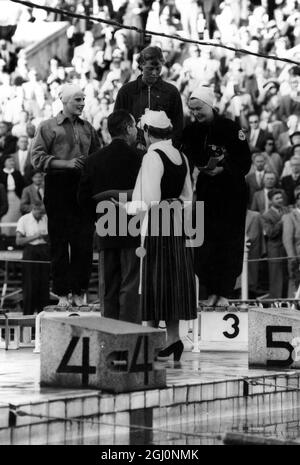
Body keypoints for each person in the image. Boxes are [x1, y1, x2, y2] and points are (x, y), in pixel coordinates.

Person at [121, 110, 196, 361]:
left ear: (146, 132)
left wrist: (127, 208)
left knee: (155, 279)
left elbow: (149, 198)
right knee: (172, 281)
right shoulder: (182, 156)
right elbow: (187, 197)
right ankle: (172, 339)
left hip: (157, 223)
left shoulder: (153, 156)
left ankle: (152, 339)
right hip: (177, 222)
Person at [30, 83, 101, 307]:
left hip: (83, 188)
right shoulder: (48, 126)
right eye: (77, 100)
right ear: (64, 101)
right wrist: (67, 163)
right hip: (58, 186)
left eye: (83, 99)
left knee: (83, 243)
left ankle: (79, 292)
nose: (82, 103)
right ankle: (62, 294)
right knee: (59, 243)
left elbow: (97, 157)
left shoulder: (89, 127)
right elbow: (36, 159)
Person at [182, 86, 251, 306]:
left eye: (199, 109)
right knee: (206, 244)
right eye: (192, 109)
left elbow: (245, 161)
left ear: (210, 105)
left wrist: (224, 168)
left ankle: (224, 292)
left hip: (231, 194)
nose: (196, 114)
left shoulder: (230, 127)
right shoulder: (191, 130)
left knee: (228, 243)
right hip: (207, 193)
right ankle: (211, 290)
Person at [78, 110, 142, 323]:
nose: (136, 130)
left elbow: (83, 199)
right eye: (134, 126)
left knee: (108, 286)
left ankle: (109, 334)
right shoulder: (140, 158)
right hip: (134, 228)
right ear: (127, 128)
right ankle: (130, 337)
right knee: (131, 284)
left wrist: (98, 220)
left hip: (105, 227)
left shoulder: (93, 160)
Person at [114, 46, 183, 149]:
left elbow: (178, 125)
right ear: (141, 65)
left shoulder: (171, 92)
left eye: (158, 68)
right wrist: (134, 144)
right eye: (150, 68)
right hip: (133, 151)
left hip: (164, 150)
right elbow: (118, 124)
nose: (154, 73)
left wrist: (167, 146)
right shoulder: (126, 91)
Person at [16, 201, 50, 315]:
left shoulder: (46, 218)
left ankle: (43, 315)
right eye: (39, 213)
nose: (41, 215)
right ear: (34, 209)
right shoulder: (24, 219)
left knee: (44, 285)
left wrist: (45, 237)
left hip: (44, 250)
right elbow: (19, 241)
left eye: (43, 213)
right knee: (30, 285)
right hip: (30, 250)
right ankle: (28, 315)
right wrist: (36, 236)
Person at [261, 189, 288, 298]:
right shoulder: (266, 215)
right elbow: (270, 233)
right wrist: (281, 222)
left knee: (286, 275)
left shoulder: (287, 210)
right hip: (275, 249)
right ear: (271, 200)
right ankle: (276, 300)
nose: (280, 200)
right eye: (277, 198)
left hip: (286, 248)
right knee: (275, 276)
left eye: (281, 197)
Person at [0, 155, 24, 236]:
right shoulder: (1, 173)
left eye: (12, 161)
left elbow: (22, 187)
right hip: (4, 198)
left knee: (17, 216)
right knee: (6, 217)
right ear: (4, 162)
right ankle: (5, 235)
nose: (12, 162)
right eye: (9, 161)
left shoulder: (17, 173)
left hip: (16, 197)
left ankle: (16, 235)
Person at [282, 190, 300, 297]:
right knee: (295, 284)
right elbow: (287, 239)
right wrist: (292, 258)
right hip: (297, 257)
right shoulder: (290, 216)